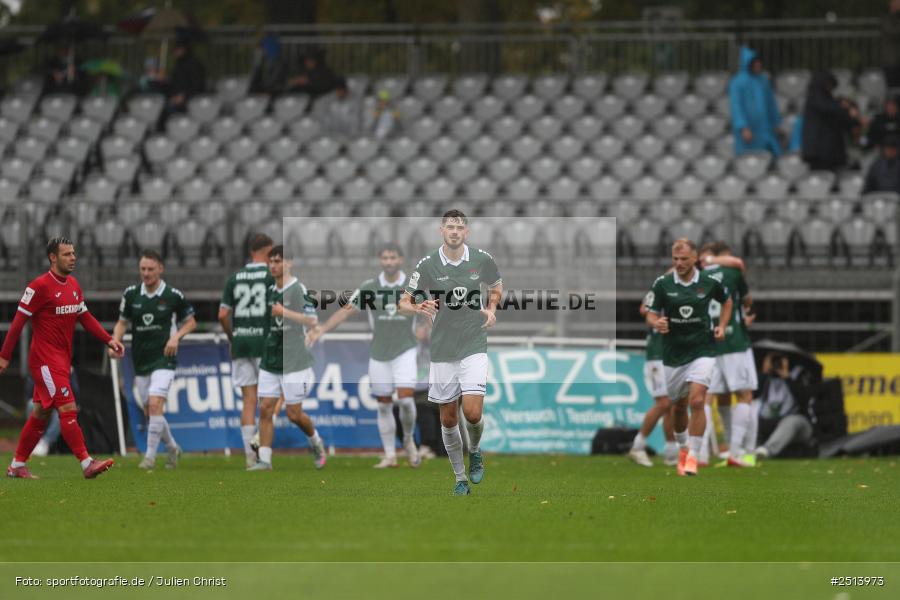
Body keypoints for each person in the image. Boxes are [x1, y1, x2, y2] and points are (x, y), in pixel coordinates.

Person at [1, 237, 125, 479]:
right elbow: (17, 324)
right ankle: (86, 463)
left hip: (61, 360)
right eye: (67, 254)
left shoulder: (74, 286)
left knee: (40, 414)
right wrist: (4, 356)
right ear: (53, 257)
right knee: (67, 407)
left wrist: (109, 339)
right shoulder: (38, 287)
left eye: (74, 253)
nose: (73, 258)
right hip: (44, 362)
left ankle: (16, 465)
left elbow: (86, 318)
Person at [398, 209, 502, 496]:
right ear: (441, 231)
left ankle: (476, 450)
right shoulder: (428, 264)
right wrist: (418, 306)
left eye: (459, 227)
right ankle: (460, 479)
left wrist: (491, 310)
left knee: (471, 412)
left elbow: (496, 287)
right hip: (443, 348)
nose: (455, 231)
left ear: (466, 232)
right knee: (447, 419)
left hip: (473, 343)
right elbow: (402, 302)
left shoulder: (481, 259)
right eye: (449, 227)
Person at [306, 243, 420, 468]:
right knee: (383, 405)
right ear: (380, 260)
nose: (388, 262)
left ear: (400, 259)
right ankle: (390, 455)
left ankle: (408, 439)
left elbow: (428, 311)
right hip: (379, 353)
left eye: (392, 258)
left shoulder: (412, 286)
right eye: (385, 258)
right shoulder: (370, 287)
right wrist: (322, 329)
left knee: (406, 400)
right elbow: (346, 310)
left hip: (405, 349)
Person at [645, 238, 732, 477]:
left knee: (697, 401)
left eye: (684, 259)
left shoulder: (708, 282)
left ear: (695, 258)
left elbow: (727, 302)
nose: (679, 263)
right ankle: (683, 449)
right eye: (675, 259)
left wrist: (722, 326)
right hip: (674, 354)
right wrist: (657, 321)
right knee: (678, 407)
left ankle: (693, 456)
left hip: (703, 349)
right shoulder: (662, 284)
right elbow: (649, 313)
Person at [110, 250, 197, 470]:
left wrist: (176, 337)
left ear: (160, 268)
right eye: (143, 269)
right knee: (151, 410)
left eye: (150, 269)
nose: (146, 273)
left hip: (165, 358)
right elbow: (122, 322)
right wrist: (114, 341)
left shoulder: (173, 295)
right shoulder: (131, 295)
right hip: (141, 360)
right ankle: (173, 448)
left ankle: (149, 458)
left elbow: (191, 322)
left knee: (156, 403)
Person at [249, 245, 327, 471]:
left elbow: (312, 320)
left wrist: (284, 312)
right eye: (270, 262)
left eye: (278, 261)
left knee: (293, 414)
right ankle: (264, 460)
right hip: (271, 358)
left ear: (289, 263)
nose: (273, 265)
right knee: (265, 408)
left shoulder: (297, 289)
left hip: (294, 360)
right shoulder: (270, 290)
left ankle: (316, 442)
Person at [218, 234, 275, 469]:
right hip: (265, 342)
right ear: (268, 251)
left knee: (248, 400)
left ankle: (249, 458)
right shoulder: (272, 275)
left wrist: (233, 336)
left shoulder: (234, 278)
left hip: (241, 343)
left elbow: (222, 315)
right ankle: (261, 447)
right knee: (271, 398)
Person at [700, 242, 758, 468]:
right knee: (744, 396)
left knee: (707, 398)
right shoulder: (732, 271)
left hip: (709, 344)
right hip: (733, 341)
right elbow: (747, 300)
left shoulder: (699, 274)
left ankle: (701, 454)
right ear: (724, 255)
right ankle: (737, 452)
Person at [628, 290, 678, 468]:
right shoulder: (662, 288)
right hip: (658, 354)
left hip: (673, 354)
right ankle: (637, 446)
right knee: (663, 403)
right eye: (676, 260)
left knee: (672, 404)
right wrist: (657, 322)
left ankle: (671, 453)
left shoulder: (688, 288)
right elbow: (645, 310)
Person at [754, 352, 814, 459]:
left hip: (799, 426)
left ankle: (767, 450)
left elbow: (805, 400)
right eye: (774, 360)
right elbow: (752, 395)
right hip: (770, 423)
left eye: (781, 360)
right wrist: (764, 373)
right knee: (749, 412)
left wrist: (787, 376)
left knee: (792, 421)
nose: (777, 363)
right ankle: (747, 449)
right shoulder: (767, 377)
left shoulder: (800, 373)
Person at [801, 71, 863, 172]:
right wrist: (846, 109)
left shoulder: (827, 99)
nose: (831, 87)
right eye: (829, 84)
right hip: (820, 150)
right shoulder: (816, 96)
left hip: (829, 151)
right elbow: (828, 109)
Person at [728, 46, 783, 157]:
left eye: (759, 62)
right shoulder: (737, 82)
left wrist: (776, 123)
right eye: (755, 62)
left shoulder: (763, 80)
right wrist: (743, 127)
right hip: (749, 130)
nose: (758, 65)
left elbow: (771, 104)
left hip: (765, 128)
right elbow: (736, 106)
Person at [165, 38, 206, 118]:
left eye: (176, 50)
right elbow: (175, 82)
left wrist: (184, 96)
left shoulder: (193, 64)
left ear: (183, 50)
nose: (174, 52)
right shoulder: (179, 64)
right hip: (177, 97)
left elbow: (197, 84)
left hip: (190, 99)